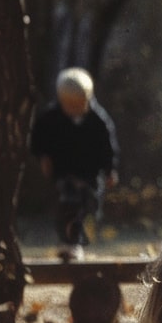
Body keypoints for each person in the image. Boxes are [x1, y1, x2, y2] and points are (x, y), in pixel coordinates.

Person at [30, 67, 119, 261]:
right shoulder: (51, 117)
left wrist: (110, 169)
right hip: (65, 171)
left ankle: (74, 242)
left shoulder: (98, 120)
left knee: (87, 205)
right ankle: (70, 244)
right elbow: (38, 139)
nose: (74, 110)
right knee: (69, 203)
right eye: (69, 105)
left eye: (79, 104)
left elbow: (107, 146)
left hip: (90, 173)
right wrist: (43, 156)